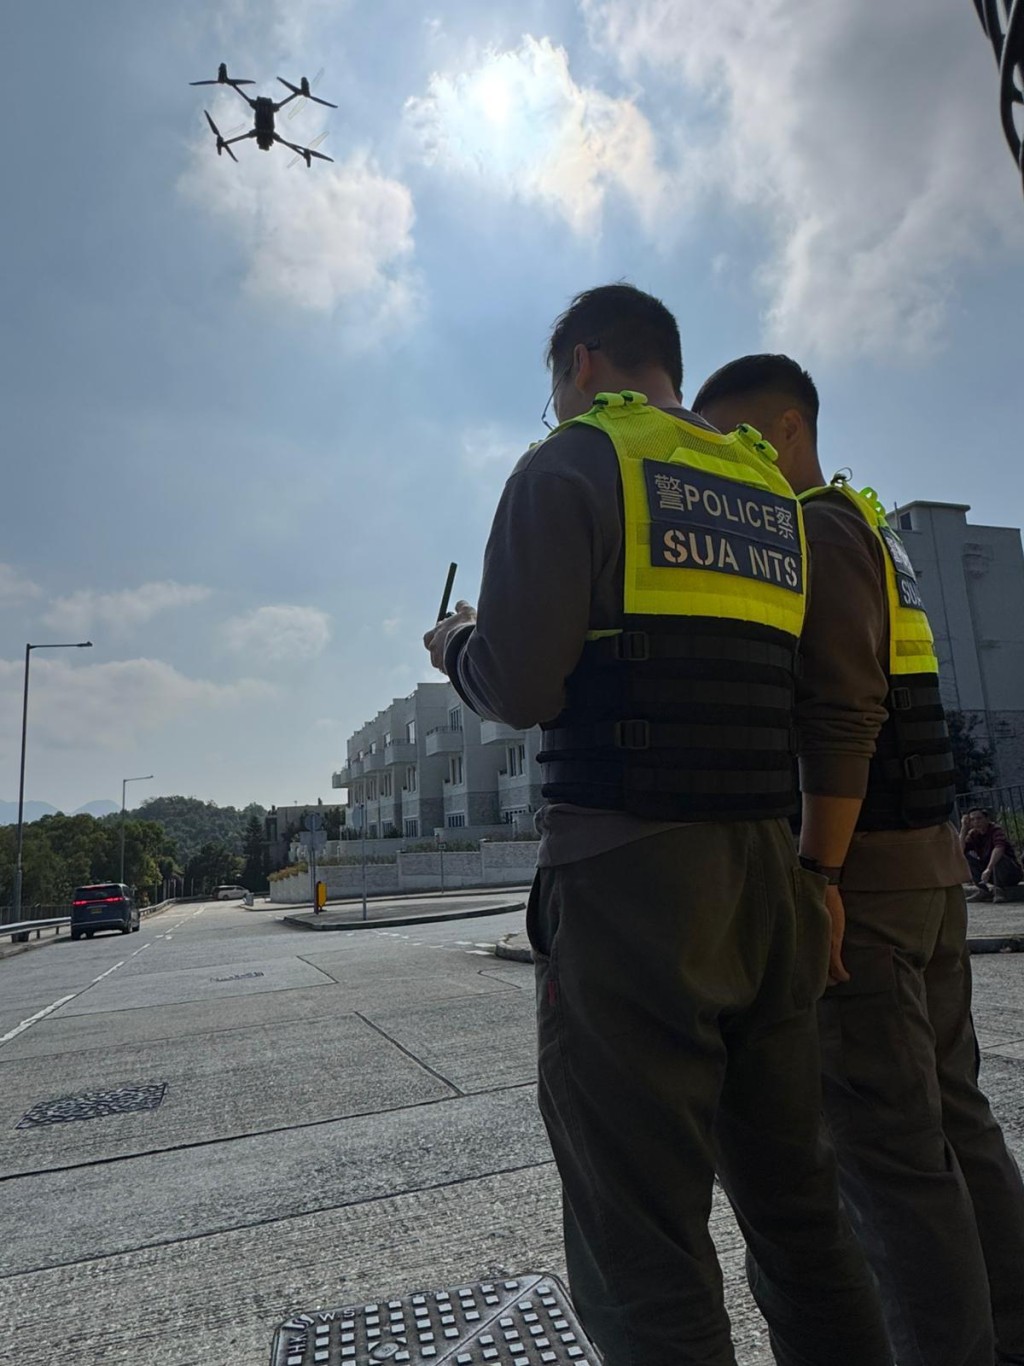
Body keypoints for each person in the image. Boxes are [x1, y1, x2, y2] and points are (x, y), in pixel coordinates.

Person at [423, 286, 890, 1366]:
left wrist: (455, 644)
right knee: (801, 1216)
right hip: (769, 882)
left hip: (629, 883)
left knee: (642, 1243)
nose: (556, 409)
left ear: (581, 363)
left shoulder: (573, 464)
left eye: (556, 391)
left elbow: (524, 682)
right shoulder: (768, 490)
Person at [693, 353, 1024, 1366]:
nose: (720, 471)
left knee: (890, 1159)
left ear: (789, 430)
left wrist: (817, 876)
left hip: (867, 889)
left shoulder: (814, 533)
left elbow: (843, 712)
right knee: (956, 1127)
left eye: (735, 444)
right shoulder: (871, 530)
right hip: (920, 875)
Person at [962, 807, 1023, 901]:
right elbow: (960, 850)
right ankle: (984, 891)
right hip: (989, 873)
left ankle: (999, 891)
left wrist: (988, 869)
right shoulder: (973, 834)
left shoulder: (995, 830)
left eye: (979, 818)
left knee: (997, 856)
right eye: (972, 819)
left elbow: (999, 848)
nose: (976, 822)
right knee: (966, 857)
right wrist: (963, 829)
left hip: (1009, 872)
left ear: (987, 819)